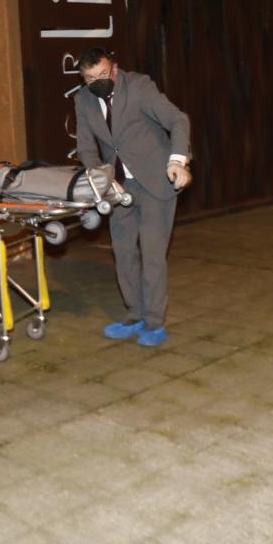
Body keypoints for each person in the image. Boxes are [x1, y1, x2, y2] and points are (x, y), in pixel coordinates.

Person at [74, 46, 192, 347]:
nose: (98, 81)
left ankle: (154, 323)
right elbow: (87, 148)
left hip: (156, 181)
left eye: (103, 74)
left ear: (114, 69)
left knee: (152, 255)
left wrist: (177, 160)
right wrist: (102, 179)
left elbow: (178, 120)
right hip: (117, 187)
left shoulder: (140, 87)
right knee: (124, 254)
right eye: (90, 78)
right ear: (83, 79)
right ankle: (135, 315)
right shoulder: (83, 100)